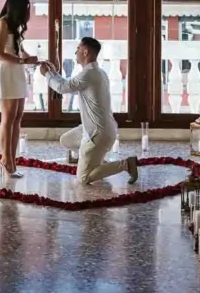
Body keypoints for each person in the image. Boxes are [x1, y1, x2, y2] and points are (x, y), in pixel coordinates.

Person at [40, 37, 138, 186]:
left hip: (98, 133)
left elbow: (62, 88)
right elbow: (69, 86)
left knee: (83, 178)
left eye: (78, 49)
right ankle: (97, 162)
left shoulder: (89, 74)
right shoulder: (98, 73)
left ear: (85, 52)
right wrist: (53, 73)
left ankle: (126, 164)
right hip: (97, 129)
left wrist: (47, 74)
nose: (75, 51)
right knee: (66, 140)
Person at [0, 0, 38, 178]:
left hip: (17, 71)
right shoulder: (2, 23)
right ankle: (6, 159)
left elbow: (17, 49)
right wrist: (22, 62)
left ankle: (12, 159)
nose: (28, 13)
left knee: (18, 117)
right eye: (26, 9)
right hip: (6, 72)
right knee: (8, 117)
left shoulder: (14, 25)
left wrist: (28, 57)